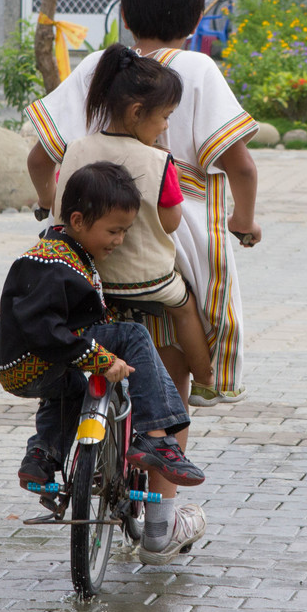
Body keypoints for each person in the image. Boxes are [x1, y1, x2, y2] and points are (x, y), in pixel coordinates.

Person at [26, 0, 261, 410]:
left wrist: (48, 201)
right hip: (177, 237)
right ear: (195, 20)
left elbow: (40, 159)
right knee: (175, 377)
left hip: (93, 238)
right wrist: (243, 220)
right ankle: (204, 383)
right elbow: (243, 168)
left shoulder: (101, 65)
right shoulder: (196, 69)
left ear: (127, 17)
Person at [0, 161, 207, 563]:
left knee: (69, 391)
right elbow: (42, 328)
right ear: (76, 220)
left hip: (31, 369)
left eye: (125, 231)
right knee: (134, 336)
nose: (120, 240)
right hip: (36, 357)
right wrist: (93, 355)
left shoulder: (64, 252)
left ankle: (42, 457)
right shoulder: (51, 261)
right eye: (113, 231)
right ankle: (157, 438)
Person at [53, 43, 214, 390]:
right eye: (165, 117)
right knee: (185, 305)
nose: (166, 125)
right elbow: (170, 223)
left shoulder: (76, 149)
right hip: (146, 280)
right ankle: (205, 378)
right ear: (138, 112)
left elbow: (58, 210)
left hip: (84, 277)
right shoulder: (158, 161)